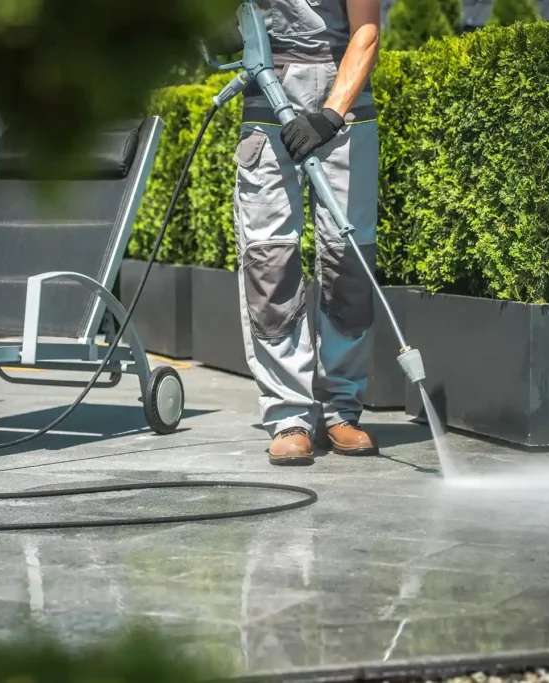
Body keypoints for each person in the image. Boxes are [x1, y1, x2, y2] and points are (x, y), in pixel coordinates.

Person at [232, 0, 381, 466]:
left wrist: (330, 115)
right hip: (268, 96)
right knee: (269, 260)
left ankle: (341, 409)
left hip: (345, 106)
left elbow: (366, 32)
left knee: (348, 260)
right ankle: (289, 416)